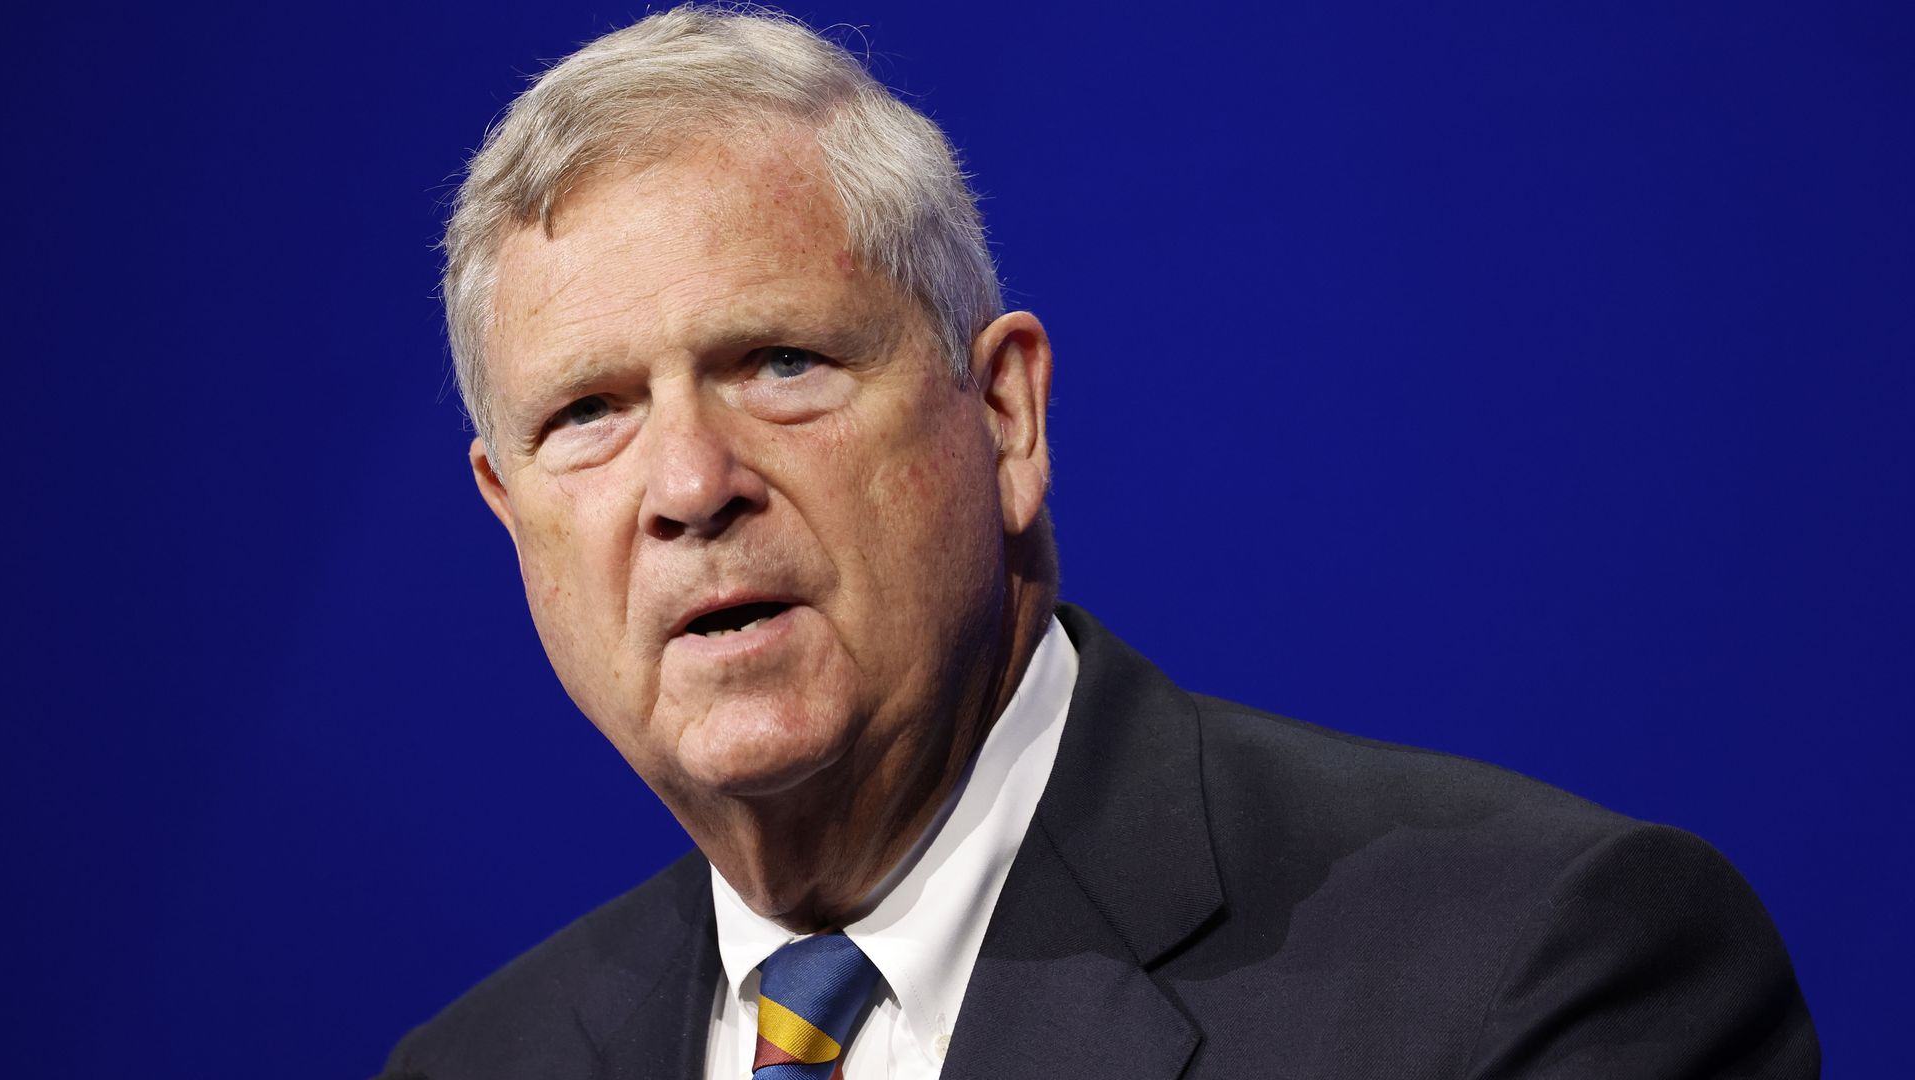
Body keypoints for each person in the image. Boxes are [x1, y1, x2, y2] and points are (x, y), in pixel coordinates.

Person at [383, 6, 1817, 1078]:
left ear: (1005, 417)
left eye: (781, 363)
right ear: (512, 520)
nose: (691, 483)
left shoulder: (1526, 972)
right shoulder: (468, 1067)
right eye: (587, 412)